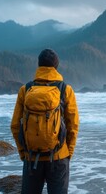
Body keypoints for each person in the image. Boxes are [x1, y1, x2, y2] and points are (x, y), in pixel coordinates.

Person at [11, 49, 79, 194]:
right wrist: (68, 153)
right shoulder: (65, 90)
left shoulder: (26, 89)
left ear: (39, 65)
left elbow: (15, 125)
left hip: (31, 157)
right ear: (56, 66)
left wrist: (24, 153)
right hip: (59, 157)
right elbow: (73, 126)